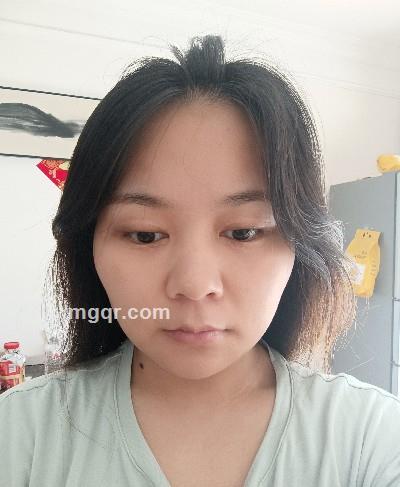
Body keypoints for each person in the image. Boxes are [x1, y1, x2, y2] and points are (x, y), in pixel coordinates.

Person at [1, 34, 399, 487]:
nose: (194, 284)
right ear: (88, 247)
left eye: (243, 232)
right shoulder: (21, 434)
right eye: (146, 234)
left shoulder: (371, 440)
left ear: (299, 244)